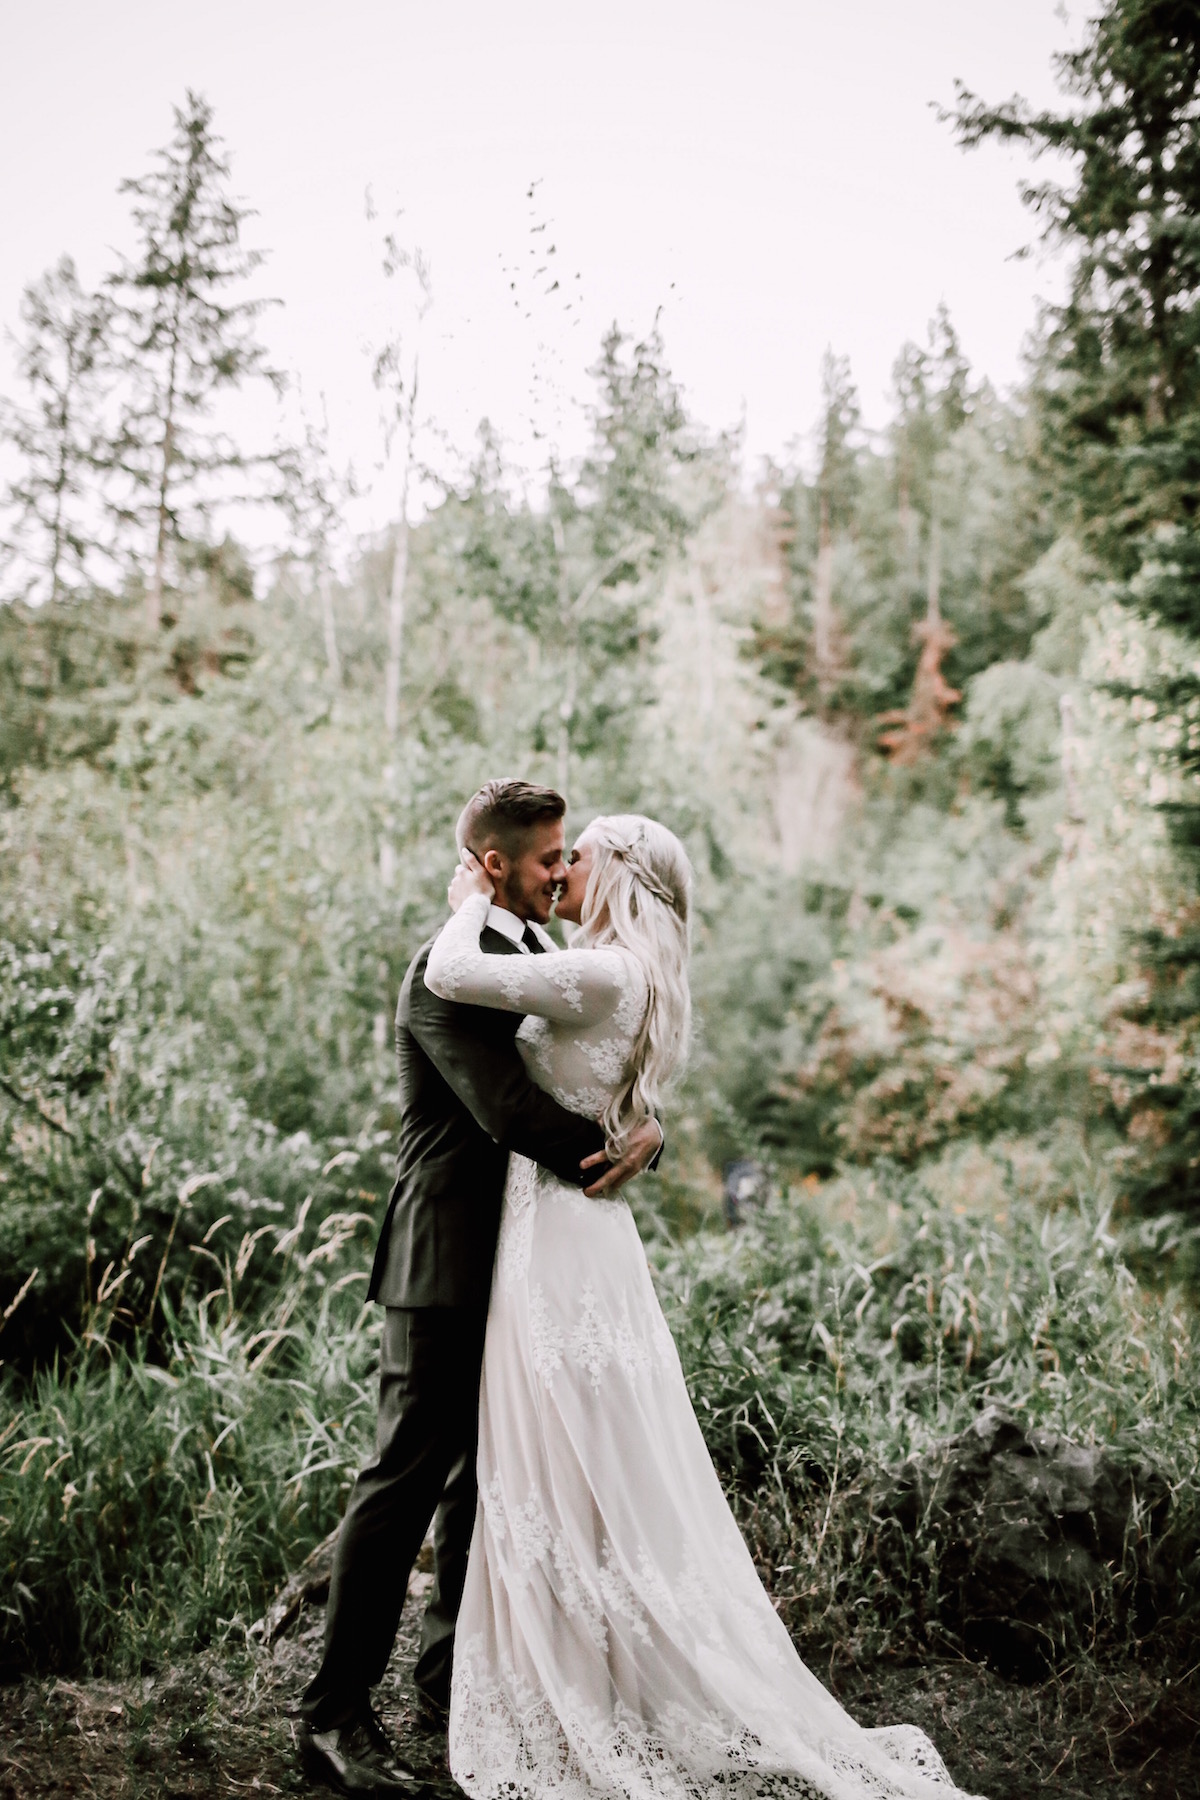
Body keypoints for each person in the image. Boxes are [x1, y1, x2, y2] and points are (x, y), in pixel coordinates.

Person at [427, 813, 985, 1800]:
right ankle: (589, 1672)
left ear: (624, 873)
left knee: (562, 1461)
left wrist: (468, 901)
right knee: (574, 1465)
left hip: (559, 1239)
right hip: (575, 1238)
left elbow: (452, 977)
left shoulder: (603, 973)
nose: (566, 868)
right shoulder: (626, 972)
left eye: (582, 852)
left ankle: (579, 1687)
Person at [298, 781, 664, 1797]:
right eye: (549, 857)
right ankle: (330, 1720)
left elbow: (598, 1066)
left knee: (481, 1484)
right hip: (443, 1258)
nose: (564, 871)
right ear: (494, 864)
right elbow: (510, 1111)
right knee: (402, 1481)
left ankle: (448, 1692)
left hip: (516, 1261)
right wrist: (617, 1148)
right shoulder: (447, 972)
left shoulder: (534, 960)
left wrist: (650, 1131)